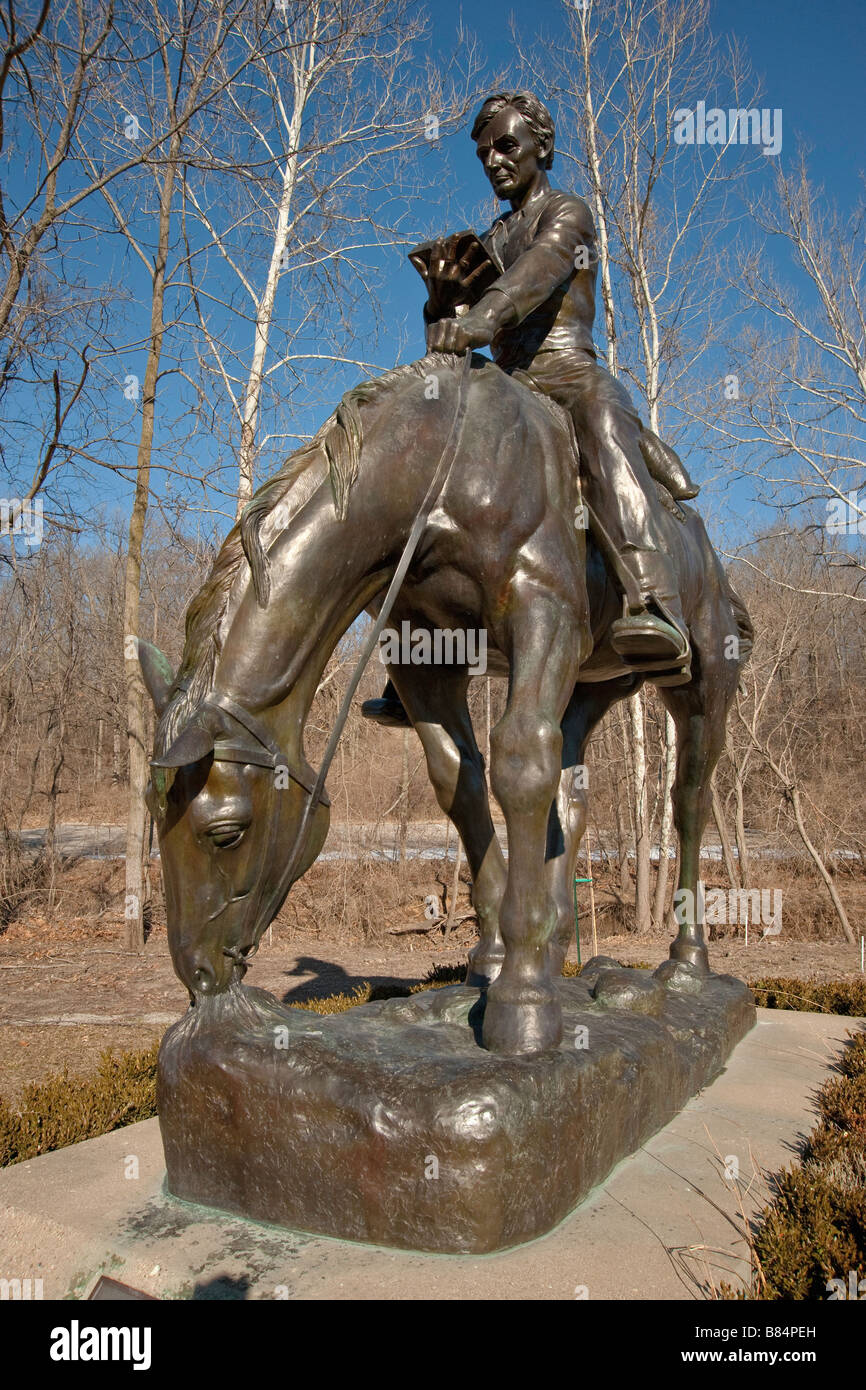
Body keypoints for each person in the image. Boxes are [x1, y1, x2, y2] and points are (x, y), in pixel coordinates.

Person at [363, 91, 695, 727]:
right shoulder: (489, 237)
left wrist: (483, 316)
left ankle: (654, 600)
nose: (494, 160)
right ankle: (418, 650)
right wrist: (443, 307)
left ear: (542, 146)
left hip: (565, 374)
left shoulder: (569, 213)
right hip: (505, 383)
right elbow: (462, 317)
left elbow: (539, 272)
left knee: (604, 418)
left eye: (507, 145)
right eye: (484, 152)